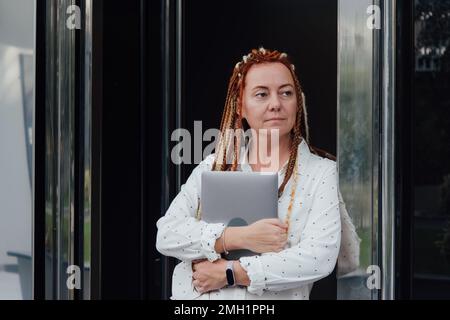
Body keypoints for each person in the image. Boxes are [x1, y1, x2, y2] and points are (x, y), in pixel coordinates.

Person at [156, 47, 354, 300]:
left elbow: (319, 257)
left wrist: (230, 272)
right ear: (241, 106)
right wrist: (237, 237)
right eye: (261, 94)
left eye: (286, 93)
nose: (276, 104)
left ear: (298, 102)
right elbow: (167, 234)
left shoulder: (321, 173)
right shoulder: (213, 166)